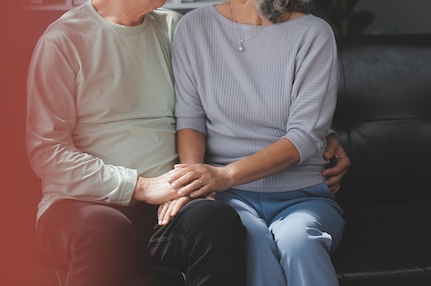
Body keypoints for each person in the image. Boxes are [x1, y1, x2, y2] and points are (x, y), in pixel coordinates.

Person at [26, 0, 350, 285]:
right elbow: (47, 153)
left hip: (166, 202)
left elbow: (230, 94)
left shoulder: (172, 27)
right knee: (104, 230)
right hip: (86, 203)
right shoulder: (63, 41)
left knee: (217, 221)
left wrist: (324, 133)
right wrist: (138, 186)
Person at [163, 0, 346, 285]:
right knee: (248, 241)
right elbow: (191, 120)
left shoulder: (314, 33)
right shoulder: (194, 27)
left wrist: (224, 175)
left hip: (301, 195)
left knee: (299, 242)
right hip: (229, 197)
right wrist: (194, 179)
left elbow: (306, 135)